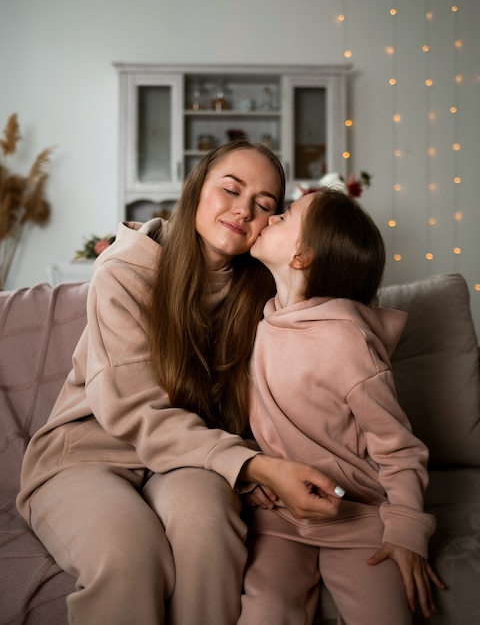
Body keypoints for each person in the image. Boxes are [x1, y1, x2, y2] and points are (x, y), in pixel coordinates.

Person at [16, 141, 343, 625]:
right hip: (88, 456)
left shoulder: (260, 287)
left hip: (188, 461)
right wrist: (252, 465)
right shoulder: (126, 269)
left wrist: (242, 463)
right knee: (131, 555)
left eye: (264, 206)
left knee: (208, 525)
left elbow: (264, 399)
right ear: (196, 189)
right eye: (230, 189)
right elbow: (132, 411)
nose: (242, 210)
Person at [239, 188, 445, 625]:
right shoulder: (264, 322)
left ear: (302, 258)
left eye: (287, 215)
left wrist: (407, 529)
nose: (271, 217)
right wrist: (248, 474)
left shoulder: (347, 343)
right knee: (263, 611)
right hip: (280, 517)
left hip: (356, 516)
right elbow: (253, 426)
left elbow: (398, 447)